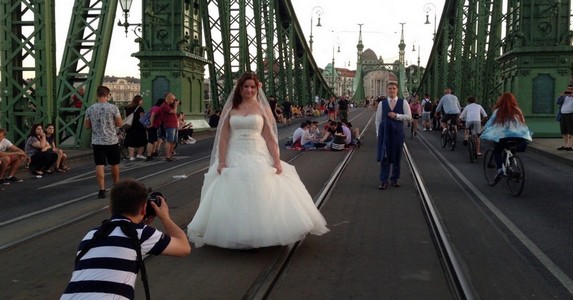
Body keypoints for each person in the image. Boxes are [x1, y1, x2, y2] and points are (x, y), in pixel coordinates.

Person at [186, 72, 328, 249]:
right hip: (235, 152)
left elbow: (270, 137)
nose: (249, 90)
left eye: (253, 86)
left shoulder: (263, 108)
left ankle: (262, 232)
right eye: (246, 86)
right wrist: (222, 162)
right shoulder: (230, 109)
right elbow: (223, 137)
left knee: (261, 188)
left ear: (257, 88)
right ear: (240, 88)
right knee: (234, 190)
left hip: (258, 151)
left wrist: (277, 160)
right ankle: (236, 232)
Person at [61, 179, 191, 299]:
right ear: (144, 209)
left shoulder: (91, 235)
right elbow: (184, 248)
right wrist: (165, 217)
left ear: (110, 208)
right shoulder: (141, 233)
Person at [480, 92, 532, 183]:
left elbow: (489, 123)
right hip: (519, 137)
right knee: (512, 149)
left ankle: (500, 170)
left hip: (503, 137)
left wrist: (480, 132)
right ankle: (510, 165)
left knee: (497, 152)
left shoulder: (498, 111)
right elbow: (523, 122)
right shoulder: (517, 110)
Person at [84, 85, 123, 199]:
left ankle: (101, 189)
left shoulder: (90, 109)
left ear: (97, 95)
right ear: (108, 95)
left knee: (99, 165)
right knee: (114, 164)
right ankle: (116, 187)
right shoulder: (113, 108)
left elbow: (87, 126)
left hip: (97, 141)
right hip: (111, 140)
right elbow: (120, 124)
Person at [375, 81, 412, 190]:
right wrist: (378, 134)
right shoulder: (382, 104)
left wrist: (397, 115)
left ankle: (394, 179)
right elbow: (377, 120)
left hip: (398, 133)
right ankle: (383, 180)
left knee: (397, 156)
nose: (391, 90)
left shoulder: (403, 102)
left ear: (397, 90)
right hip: (385, 133)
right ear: (387, 90)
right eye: (390, 88)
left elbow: (409, 117)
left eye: (393, 89)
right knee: (384, 156)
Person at [124, 95, 147, 161]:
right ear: (139, 101)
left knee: (131, 141)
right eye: (141, 100)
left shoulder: (127, 107)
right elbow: (142, 118)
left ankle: (131, 156)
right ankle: (139, 154)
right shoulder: (140, 108)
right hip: (139, 127)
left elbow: (126, 116)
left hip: (129, 126)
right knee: (142, 140)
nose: (142, 101)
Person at [160, 93, 179, 161]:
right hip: (169, 125)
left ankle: (171, 154)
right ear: (168, 98)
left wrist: (175, 105)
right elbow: (173, 112)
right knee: (169, 141)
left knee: (174, 141)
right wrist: (176, 105)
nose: (174, 101)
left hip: (174, 125)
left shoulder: (170, 105)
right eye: (173, 99)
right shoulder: (165, 106)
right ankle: (167, 156)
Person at [556, 86, 573, 151]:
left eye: (571, 89)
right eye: (568, 89)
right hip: (562, 115)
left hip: (571, 115)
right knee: (564, 131)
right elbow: (558, 102)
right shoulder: (564, 97)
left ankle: (570, 146)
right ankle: (566, 145)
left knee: (571, 131)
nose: (569, 90)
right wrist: (561, 95)